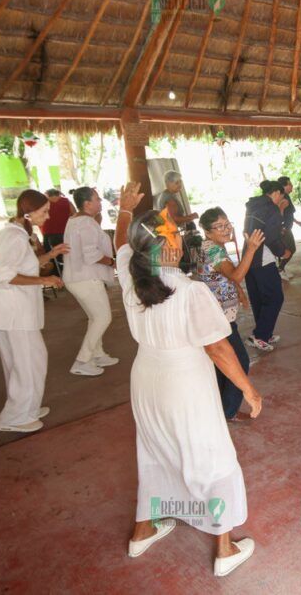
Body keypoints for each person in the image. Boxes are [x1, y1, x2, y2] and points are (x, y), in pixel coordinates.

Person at [113, 182, 262, 578]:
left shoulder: (131, 275)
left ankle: (143, 530)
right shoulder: (189, 291)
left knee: (156, 449)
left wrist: (124, 213)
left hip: (146, 377)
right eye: (175, 233)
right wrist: (248, 389)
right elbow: (218, 348)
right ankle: (224, 547)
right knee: (211, 456)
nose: (181, 235)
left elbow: (121, 246)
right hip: (184, 383)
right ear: (165, 247)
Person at [0, 190, 67, 433]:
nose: (47, 216)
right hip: (13, 309)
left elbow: (24, 265)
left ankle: (26, 407)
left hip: (15, 309)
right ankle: (14, 416)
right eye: (44, 212)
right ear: (28, 213)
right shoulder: (13, 237)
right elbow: (7, 276)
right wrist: (45, 280)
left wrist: (51, 255)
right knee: (29, 361)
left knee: (21, 361)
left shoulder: (18, 234)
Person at [198, 207, 265, 422]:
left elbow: (225, 277)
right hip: (219, 318)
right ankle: (228, 412)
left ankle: (220, 408)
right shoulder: (214, 250)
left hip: (216, 314)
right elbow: (235, 275)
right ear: (207, 232)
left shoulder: (212, 246)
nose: (227, 229)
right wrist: (252, 249)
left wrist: (239, 293)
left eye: (228, 224)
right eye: (220, 226)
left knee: (221, 367)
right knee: (239, 361)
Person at [63, 187, 118, 377]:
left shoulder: (77, 220)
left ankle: (98, 353)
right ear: (87, 203)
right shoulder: (85, 223)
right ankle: (82, 360)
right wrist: (112, 262)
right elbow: (91, 254)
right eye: (97, 199)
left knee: (96, 317)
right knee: (103, 317)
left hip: (78, 277)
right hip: (85, 278)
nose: (100, 201)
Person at [243, 181, 290, 351]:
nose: (282, 199)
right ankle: (261, 335)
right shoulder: (271, 209)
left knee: (259, 297)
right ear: (276, 193)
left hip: (248, 257)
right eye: (282, 195)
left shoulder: (253, 205)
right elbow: (271, 237)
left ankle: (263, 332)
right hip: (263, 259)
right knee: (275, 297)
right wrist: (282, 252)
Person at [276, 176, 301, 281]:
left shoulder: (286, 196)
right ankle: (280, 269)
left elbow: (289, 213)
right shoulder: (282, 198)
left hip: (287, 227)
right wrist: (281, 227)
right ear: (284, 186)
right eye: (290, 184)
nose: (292, 186)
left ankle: (280, 269)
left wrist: (296, 221)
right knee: (291, 249)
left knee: (285, 250)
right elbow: (278, 214)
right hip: (283, 229)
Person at [42, 189, 76, 256]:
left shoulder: (43, 203)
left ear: (47, 194)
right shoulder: (67, 201)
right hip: (66, 233)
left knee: (53, 258)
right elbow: (75, 215)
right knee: (68, 255)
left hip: (49, 235)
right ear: (59, 194)